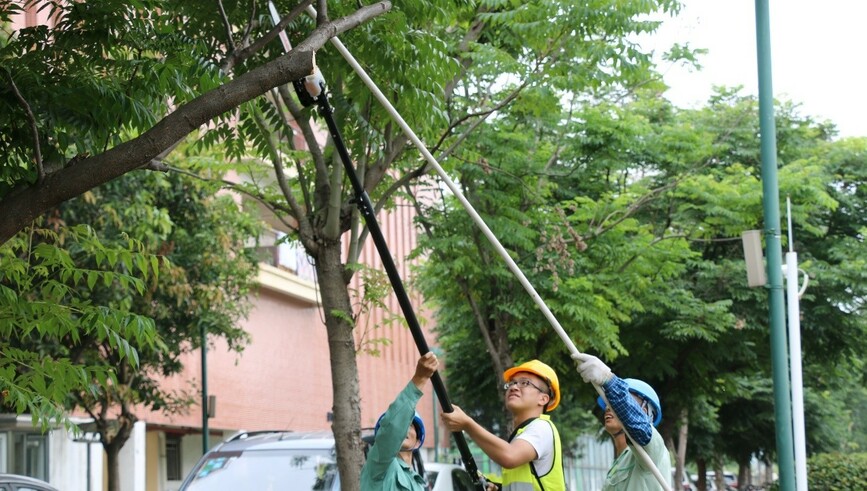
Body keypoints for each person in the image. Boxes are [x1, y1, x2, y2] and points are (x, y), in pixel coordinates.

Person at [441, 360, 566, 491]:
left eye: (525, 383)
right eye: (512, 383)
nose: (513, 387)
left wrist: (467, 424)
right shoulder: (522, 434)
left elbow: (509, 456)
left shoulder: (542, 427)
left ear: (543, 399)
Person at [573, 353, 672, 491]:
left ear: (646, 412)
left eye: (626, 401)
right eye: (608, 402)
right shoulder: (620, 462)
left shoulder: (654, 450)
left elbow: (639, 425)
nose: (609, 407)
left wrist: (609, 381)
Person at [360, 351, 438, 490]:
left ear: (419, 440)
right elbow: (392, 430)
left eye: (410, 425)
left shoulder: (418, 484)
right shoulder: (379, 465)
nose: (404, 429)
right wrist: (419, 379)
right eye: (403, 424)